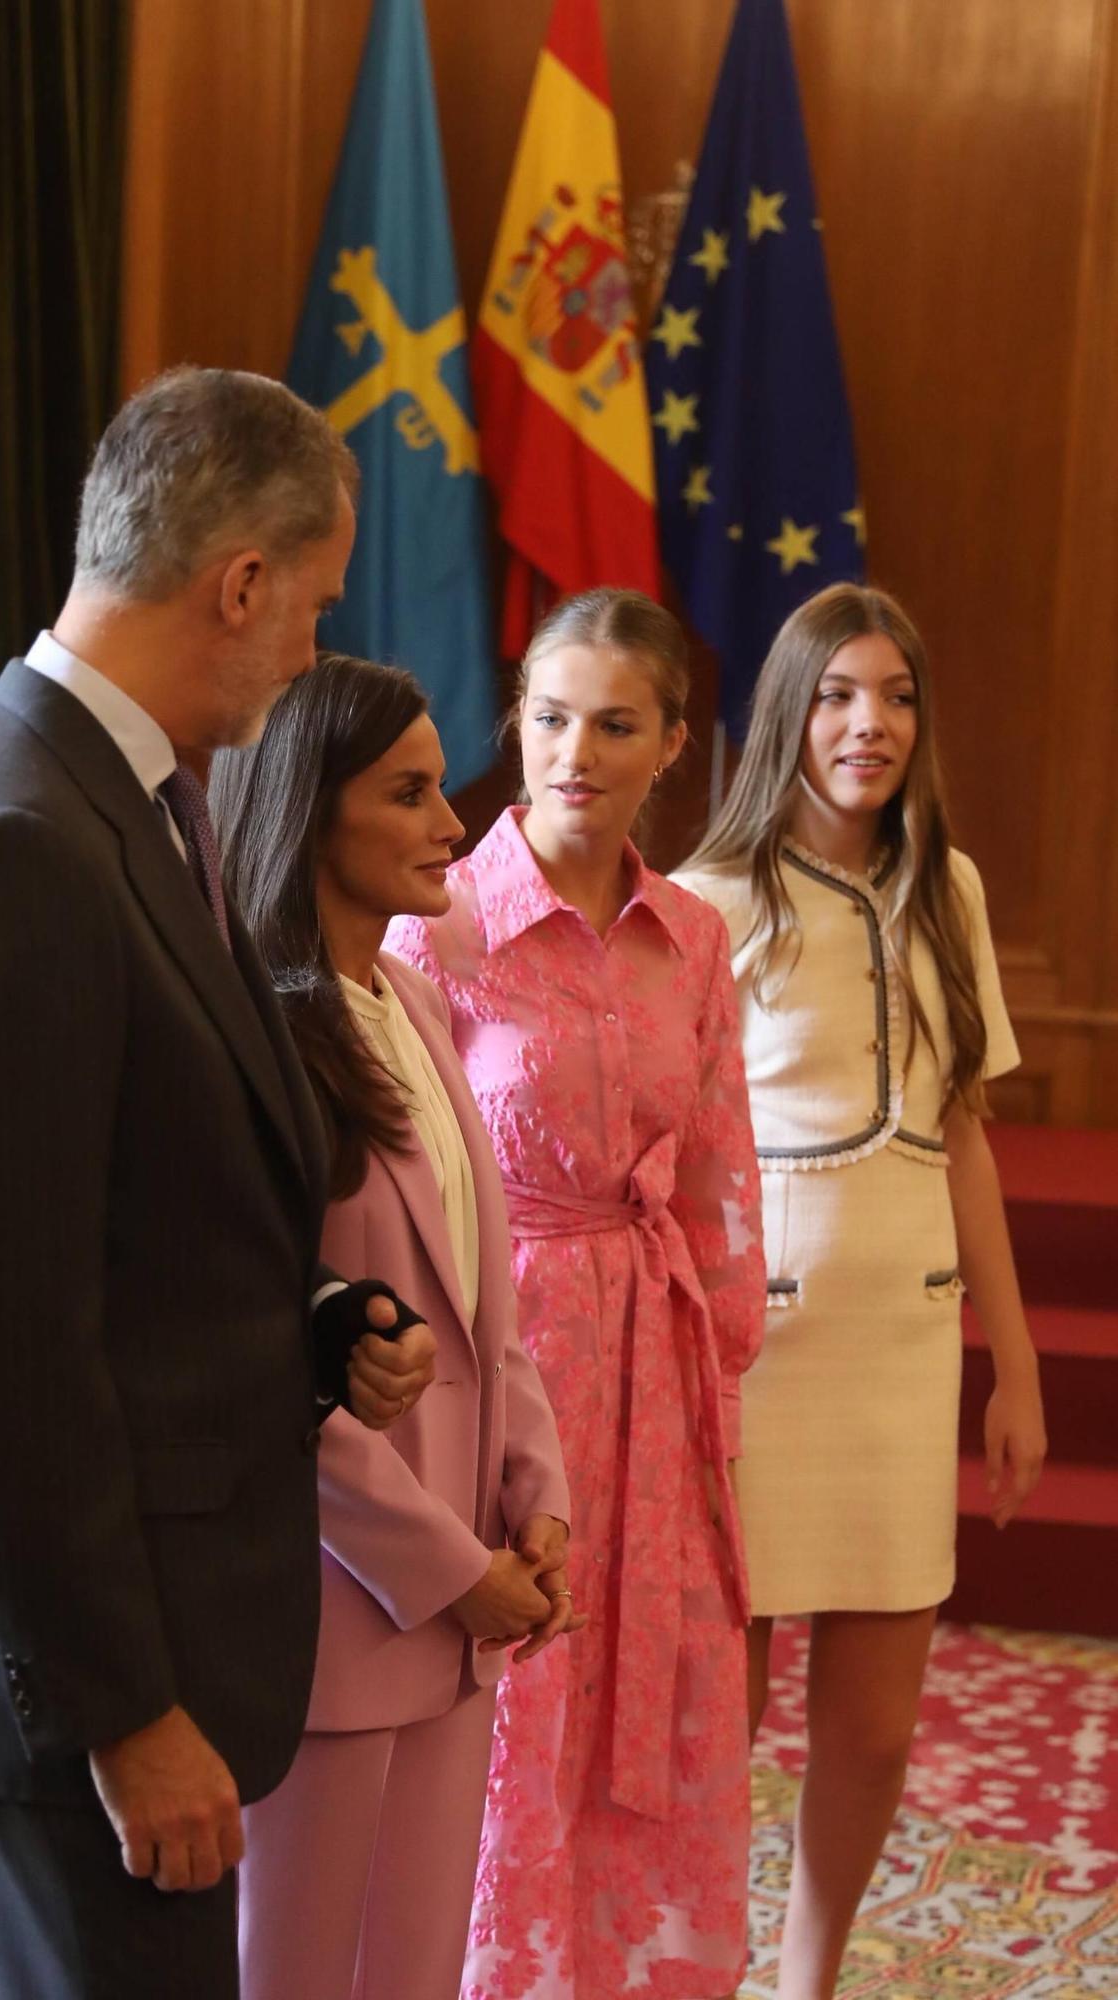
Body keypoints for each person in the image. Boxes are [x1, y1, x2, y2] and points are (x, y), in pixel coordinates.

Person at [0, 367, 438, 2000]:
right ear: (239, 584)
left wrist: (323, 1323)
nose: (315, 647)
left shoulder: (135, 802)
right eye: (314, 608)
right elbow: (5, 1346)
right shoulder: (17, 845)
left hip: (148, 1620)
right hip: (81, 1682)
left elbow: (134, 1223)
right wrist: (127, 1718)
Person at [388, 588, 766, 2000]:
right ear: (517, 725)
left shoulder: (696, 939)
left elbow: (724, 1175)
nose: (576, 753)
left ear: (671, 742)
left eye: (616, 724)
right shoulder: (442, 925)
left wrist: (718, 1388)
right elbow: (406, 1185)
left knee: (647, 1691)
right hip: (497, 1347)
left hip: (655, 1370)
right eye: (551, 719)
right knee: (512, 1695)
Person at [675, 582, 1047, 2000]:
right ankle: (694, 1960)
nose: (868, 723)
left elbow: (964, 1130)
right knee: (732, 1718)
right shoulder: (710, 902)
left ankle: (803, 1978)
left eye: (893, 696)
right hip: (756, 1353)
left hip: (905, 1350)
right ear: (790, 714)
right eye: (837, 694)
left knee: (879, 1730)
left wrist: (1012, 1362)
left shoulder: (949, 889)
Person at [208, 654, 577, 2000]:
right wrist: (446, 1566)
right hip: (329, 1615)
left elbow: (489, 1306)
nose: (456, 825)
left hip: (456, 1609)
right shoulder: (259, 1040)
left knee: (413, 1975)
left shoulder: (411, 1000)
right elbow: (261, 1365)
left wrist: (536, 1505)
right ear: (311, 810)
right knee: (294, 1977)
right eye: (410, 794)